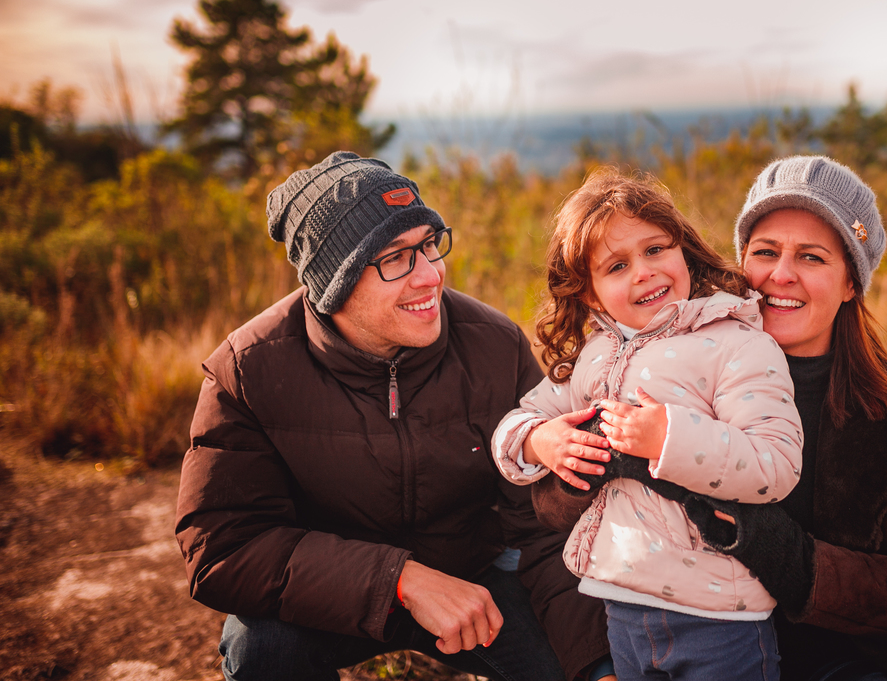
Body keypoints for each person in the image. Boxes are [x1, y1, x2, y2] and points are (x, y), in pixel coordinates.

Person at [532, 156, 887, 681]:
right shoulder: (658, 369)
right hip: (671, 650)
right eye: (765, 252)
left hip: (840, 666)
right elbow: (559, 522)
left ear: (850, 283)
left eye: (812, 257)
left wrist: (794, 561)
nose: (781, 275)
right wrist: (600, 666)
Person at [174, 151, 610, 681]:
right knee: (262, 652)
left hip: (474, 576)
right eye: (396, 258)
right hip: (330, 594)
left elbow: (541, 527)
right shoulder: (248, 371)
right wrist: (400, 580)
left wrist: (597, 666)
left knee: (569, 659)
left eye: (429, 244)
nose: (430, 275)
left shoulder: (494, 346)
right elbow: (224, 546)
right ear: (334, 282)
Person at [491, 169, 804, 681]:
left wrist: (669, 438)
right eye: (617, 266)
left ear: (684, 252)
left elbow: (776, 463)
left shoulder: (735, 342)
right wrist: (539, 439)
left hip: (718, 616)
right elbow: (517, 421)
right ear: (590, 294)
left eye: (656, 249)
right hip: (620, 606)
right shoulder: (594, 356)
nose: (644, 272)